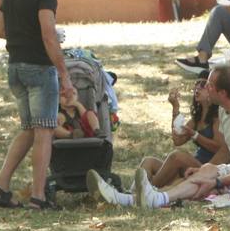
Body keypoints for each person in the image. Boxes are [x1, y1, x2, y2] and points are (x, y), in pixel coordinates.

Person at [89, 65, 230, 208]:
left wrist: (219, 182)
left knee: (207, 177)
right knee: (206, 172)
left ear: (222, 92)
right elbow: (228, 153)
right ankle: (140, 198)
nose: (204, 87)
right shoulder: (224, 109)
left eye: (209, 85)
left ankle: (143, 199)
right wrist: (209, 171)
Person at [0, 0, 80, 212]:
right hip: (39, 69)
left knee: (28, 130)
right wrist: (65, 76)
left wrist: (25, 33)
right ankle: (39, 197)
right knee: (44, 132)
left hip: (15, 69)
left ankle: (0, 187)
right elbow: (49, 36)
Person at [85, 72, 220, 204]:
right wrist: (175, 108)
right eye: (196, 85)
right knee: (148, 161)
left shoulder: (217, 119)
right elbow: (177, 140)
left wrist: (195, 135)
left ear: (211, 91)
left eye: (202, 85)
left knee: (177, 156)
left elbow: (218, 147)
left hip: (206, 168)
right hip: (191, 166)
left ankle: (142, 193)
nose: (197, 88)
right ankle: (131, 193)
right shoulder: (197, 118)